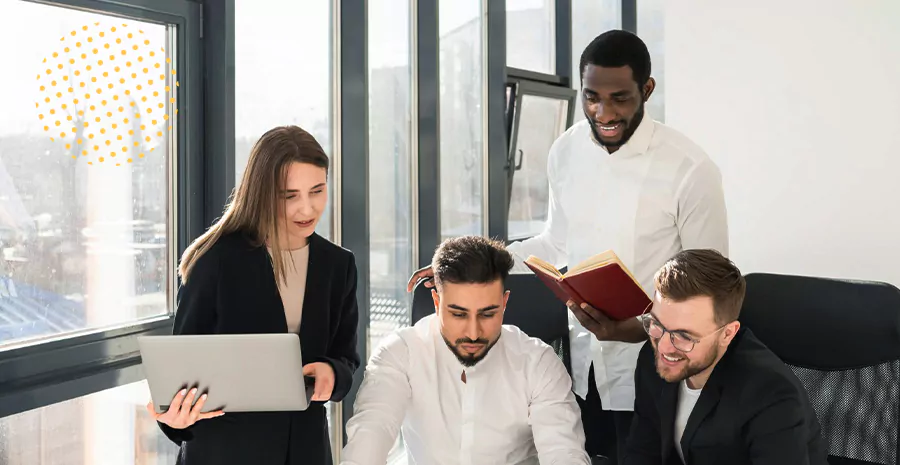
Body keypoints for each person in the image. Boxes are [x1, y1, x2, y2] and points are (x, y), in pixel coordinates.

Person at [407, 30, 729, 462]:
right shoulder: (566, 150)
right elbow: (555, 242)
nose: (604, 112)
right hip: (584, 367)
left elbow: (711, 290)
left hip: (657, 371)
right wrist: (470, 262)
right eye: (592, 97)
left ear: (647, 89)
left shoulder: (691, 169)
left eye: (620, 98)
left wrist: (636, 328)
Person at [146, 125, 360, 465]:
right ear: (262, 193)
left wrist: (332, 374)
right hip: (223, 453)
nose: (307, 209)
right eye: (290, 196)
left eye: (317, 191)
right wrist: (174, 418)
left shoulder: (338, 265)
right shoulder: (215, 261)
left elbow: (346, 357)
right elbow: (182, 373)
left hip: (306, 453)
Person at [344, 236, 590, 465]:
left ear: (504, 303)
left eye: (487, 314)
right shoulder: (401, 353)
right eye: (459, 314)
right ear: (437, 303)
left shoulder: (538, 362)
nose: (473, 333)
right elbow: (372, 431)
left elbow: (564, 454)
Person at [625, 249, 827, 464]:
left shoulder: (771, 394)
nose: (664, 346)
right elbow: (642, 453)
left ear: (727, 334)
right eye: (656, 323)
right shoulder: (653, 357)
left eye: (684, 336)